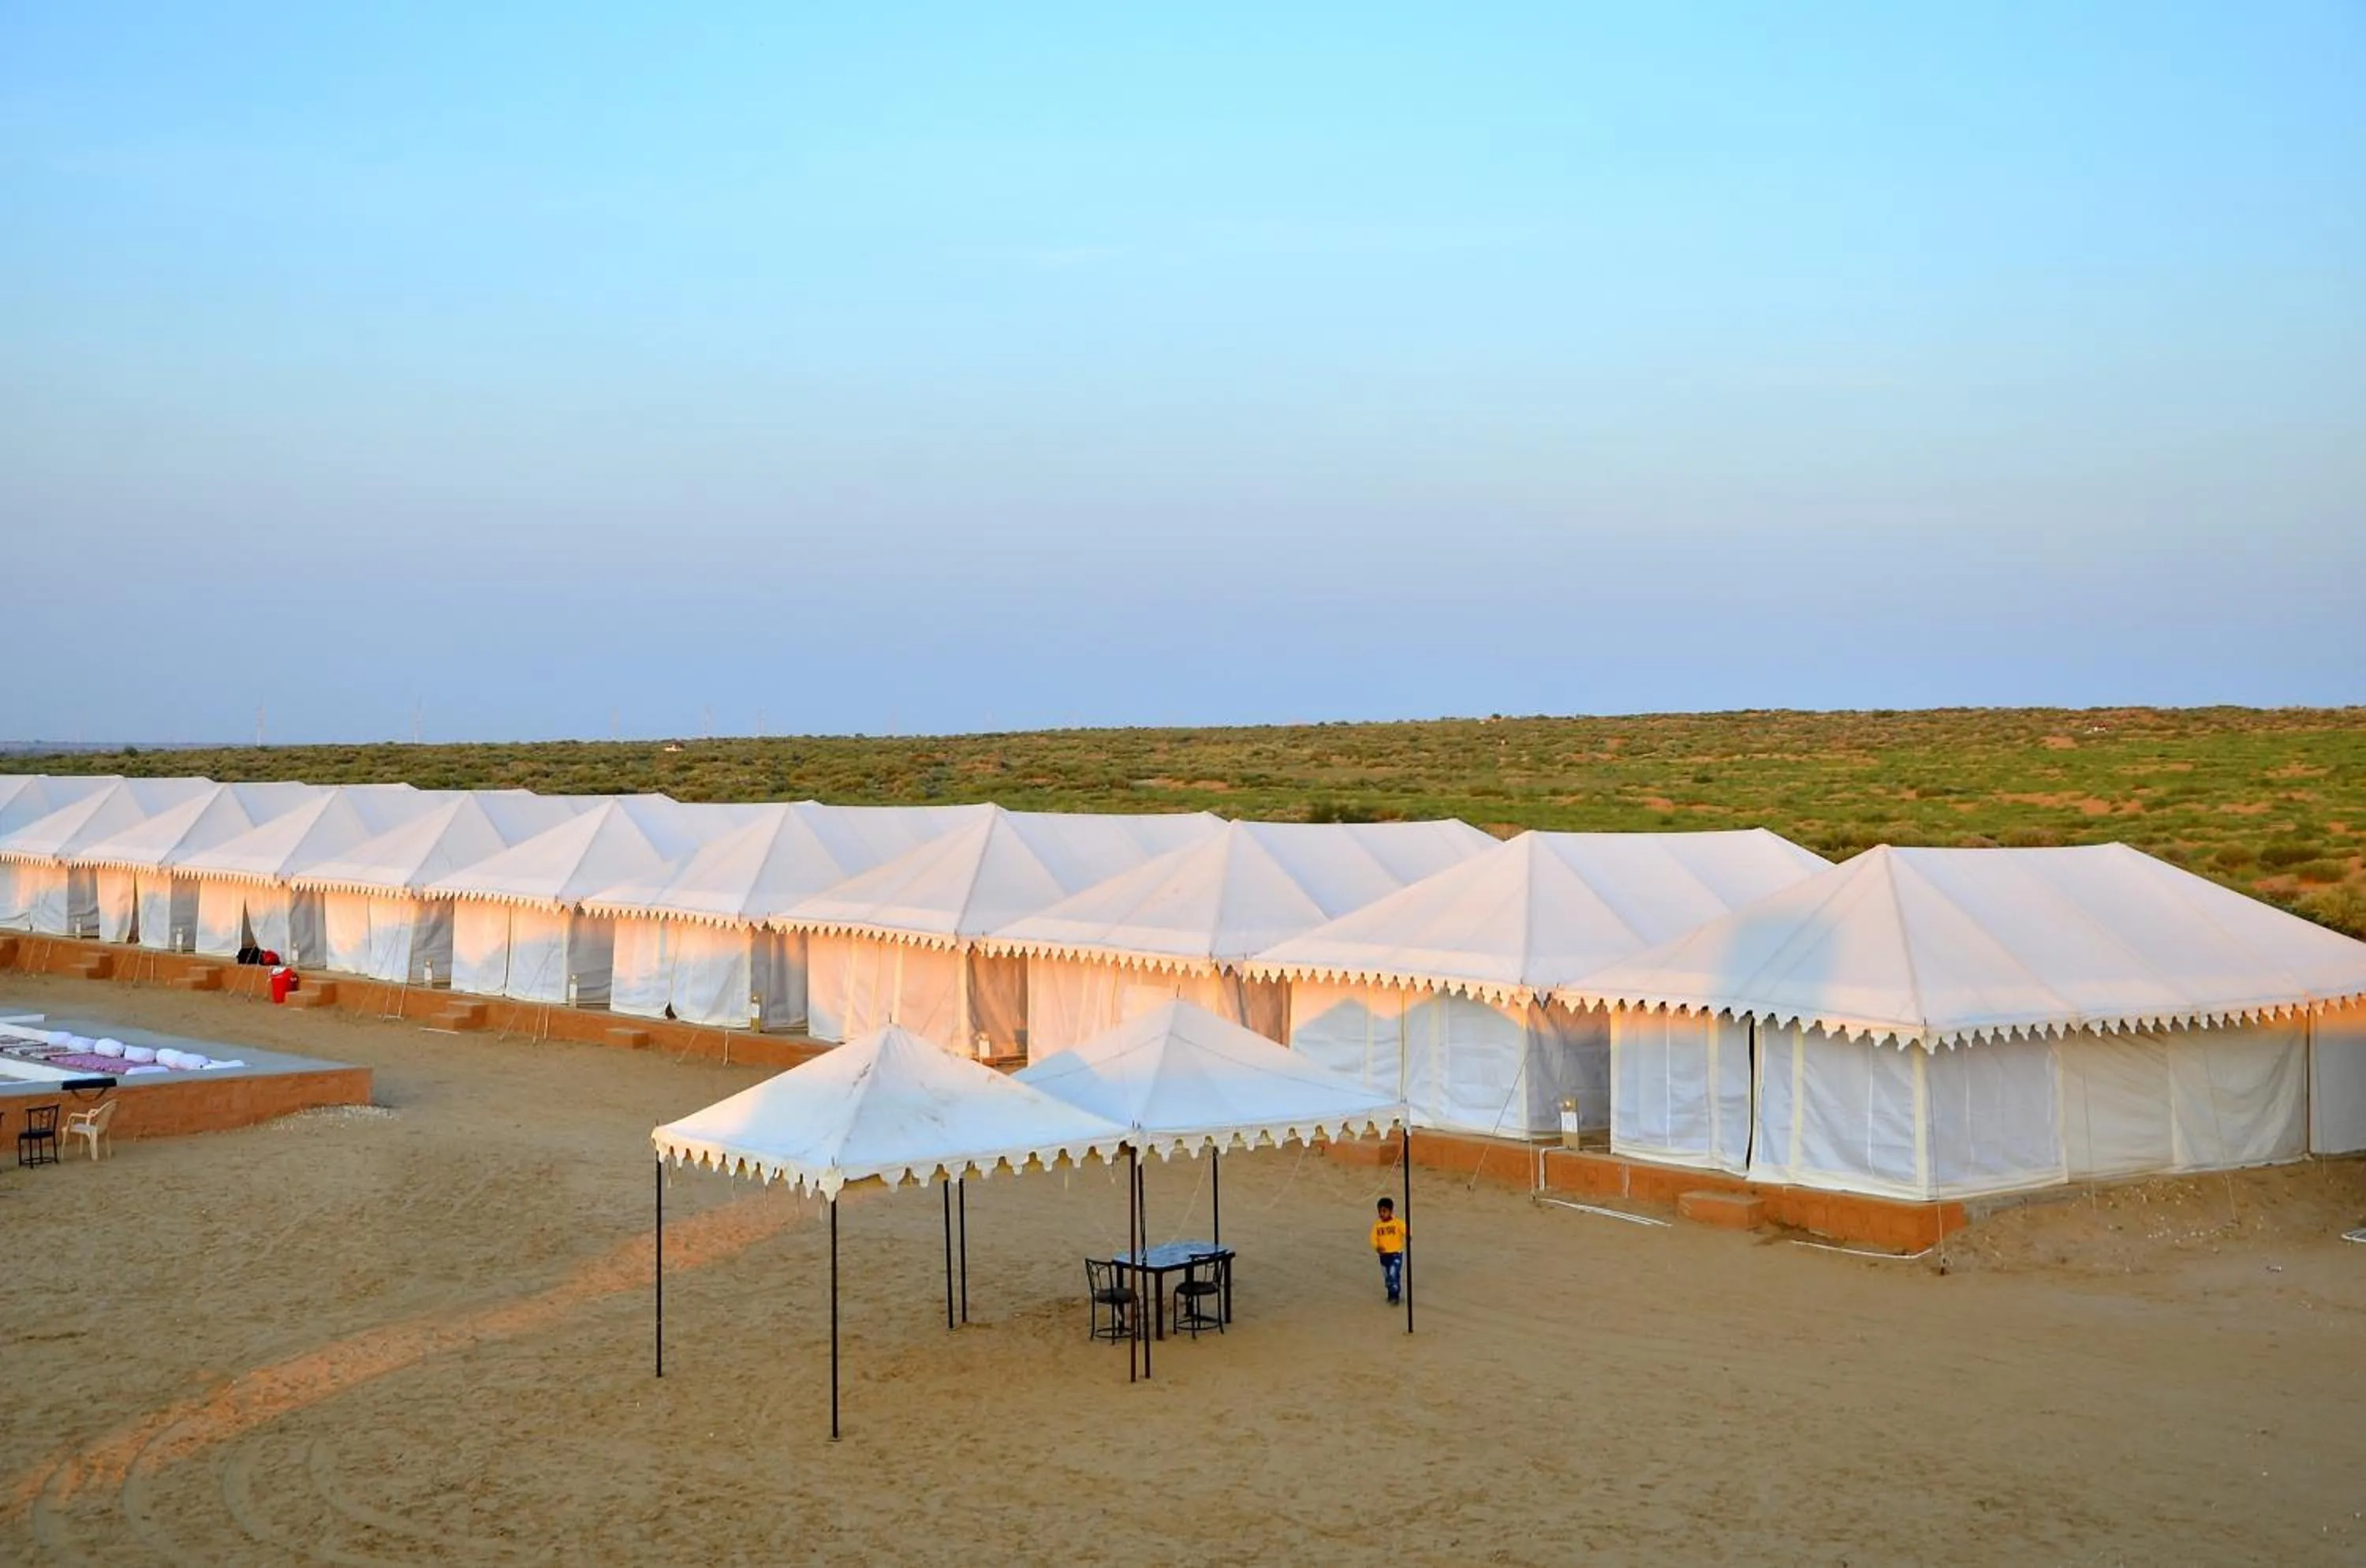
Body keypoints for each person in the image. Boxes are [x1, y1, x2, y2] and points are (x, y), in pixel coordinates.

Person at [1370, 1197, 1407, 1305]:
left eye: (1384, 1211)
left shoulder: (1397, 1223)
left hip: (1396, 1253)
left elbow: (1406, 1230)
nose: (1382, 1214)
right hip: (1384, 1255)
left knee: (1393, 1273)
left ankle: (1395, 1295)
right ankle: (1391, 1294)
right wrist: (1377, 1246)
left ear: (1391, 1211)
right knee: (1387, 1277)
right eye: (1380, 1211)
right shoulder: (1377, 1225)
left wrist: (1408, 1236)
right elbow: (1373, 1238)